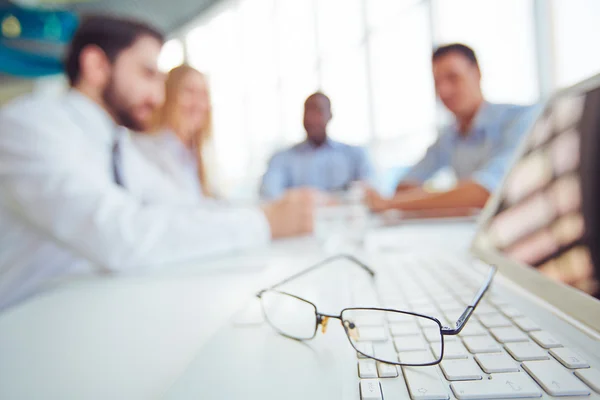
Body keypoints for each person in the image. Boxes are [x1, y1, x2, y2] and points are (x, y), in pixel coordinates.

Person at [0, 15, 314, 311]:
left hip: (89, 311)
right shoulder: (28, 126)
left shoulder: (118, 145)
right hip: (23, 325)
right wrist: (263, 223)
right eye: (147, 74)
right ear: (96, 66)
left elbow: (182, 207)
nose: (158, 96)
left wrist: (265, 213)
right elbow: (120, 236)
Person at [366, 43, 538, 212]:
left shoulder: (519, 120)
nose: (444, 91)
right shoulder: (449, 136)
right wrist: (454, 198)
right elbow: (405, 187)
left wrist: (390, 204)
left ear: (477, 74)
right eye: (437, 83)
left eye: (453, 78)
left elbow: (487, 191)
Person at [260, 92, 374, 200]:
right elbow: (270, 194)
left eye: (318, 111)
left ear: (330, 115)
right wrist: (317, 198)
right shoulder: (282, 158)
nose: (311, 118)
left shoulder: (354, 155)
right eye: (307, 112)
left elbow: (371, 189)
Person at [130, 64, 216, 205]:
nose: (198, 103)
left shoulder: (195, 154)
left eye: (204, 94)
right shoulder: (144, 150)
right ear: (168, 95)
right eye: (189, 91)